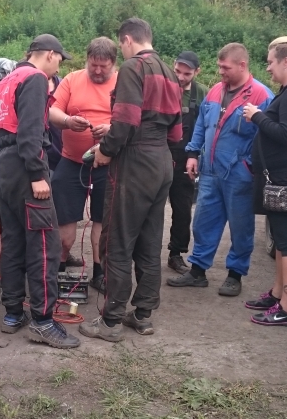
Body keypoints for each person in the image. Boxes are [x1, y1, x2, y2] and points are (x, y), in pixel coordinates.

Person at [78, 18, 182, 341]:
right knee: (150, 241)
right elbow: (176, 131)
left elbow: (125, 121)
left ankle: (110, 321)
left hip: (135, 163)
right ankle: (143, 314)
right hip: (162, 160)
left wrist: (105, 151)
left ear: (126, 40)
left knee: (117, 241)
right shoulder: (169, 72)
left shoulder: (133, 68)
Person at [0, 34, 80, 349]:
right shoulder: (36, 79)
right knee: (45, 244)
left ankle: (13, 313)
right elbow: (30, 132)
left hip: (2, 167)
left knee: (13, 241)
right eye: (60, 61)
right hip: (25, 167)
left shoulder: (6, 81)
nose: (59, 68)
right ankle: (43, 321)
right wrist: (38, 174)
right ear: (50, 55)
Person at [166, 43, 273, 296]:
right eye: (219, 66)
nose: (221, 71)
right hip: (211, 171)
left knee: (241, 226)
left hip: (240, 174)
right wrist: (193, 153)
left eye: (225, 67)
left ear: (242, 65)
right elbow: (201, 125)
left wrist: (250, 167)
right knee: (203, 222)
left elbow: (267, 136)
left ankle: (235, 275)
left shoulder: (262, 96)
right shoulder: (215, 91)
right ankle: (198, 272)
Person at [242, 37, 287, 326]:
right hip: (279, 179)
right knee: (281, 243)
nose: (268, 67)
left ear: (286, 61)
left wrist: (257, 116)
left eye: (271, 62)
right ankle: (277, 295)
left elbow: (286, 135)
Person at [47, 37, 118, 284]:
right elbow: (52, 110)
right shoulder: (72, 79)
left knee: (102, 220)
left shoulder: (124, 82)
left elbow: (133, 119)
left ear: (113, 63)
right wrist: (68, 121)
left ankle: (99, 272)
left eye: (103, 67)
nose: (97, 71)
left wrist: (111, 129)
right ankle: (59, 268)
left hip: (107, 163)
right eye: (93, 65)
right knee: (64, 222)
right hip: (71, 161)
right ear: (87, 59)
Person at [166, 51, 208, 274]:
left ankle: (176, 253)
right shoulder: (163, 86)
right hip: (160, 154)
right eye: (178, 72)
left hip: (186, 158)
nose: (181, 77)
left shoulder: (202, 94)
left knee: (182, 209)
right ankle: (144, 252)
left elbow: (206, 127)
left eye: (187, 74)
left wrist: (197, 155)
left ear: (197, 72)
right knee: (149, 208)